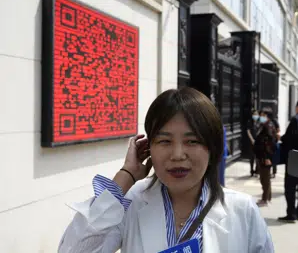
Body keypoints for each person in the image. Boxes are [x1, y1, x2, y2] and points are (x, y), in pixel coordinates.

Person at [58, 87, 274, 253]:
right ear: (148, 147)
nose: (178, 154)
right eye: (164, 141)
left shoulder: (243, 210)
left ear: (212, 148)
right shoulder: (131, 202)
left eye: (192, 141)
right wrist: (126, 176)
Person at [254, 107, 278, 206]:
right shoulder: (264, 125)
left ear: (267, 116)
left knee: (265, 178)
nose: (261, 116)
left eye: (263, 115)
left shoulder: (269, 126)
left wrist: (268, 157)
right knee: (264, 177)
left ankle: (265, 199)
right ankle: (267, 197)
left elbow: (270, 143)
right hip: (262, 156)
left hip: (265, 157)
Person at [247, 109, 261, 176]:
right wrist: (252, 140)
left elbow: (261, 130)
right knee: (252, 157)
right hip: (251, 142)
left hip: (258, 142)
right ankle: (251, 170)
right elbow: (248, 131)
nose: (255, 115)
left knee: (258, 157)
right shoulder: (250, 122)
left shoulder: (259, 122)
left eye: (257, 114)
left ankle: (257, 171)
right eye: (254, 114)